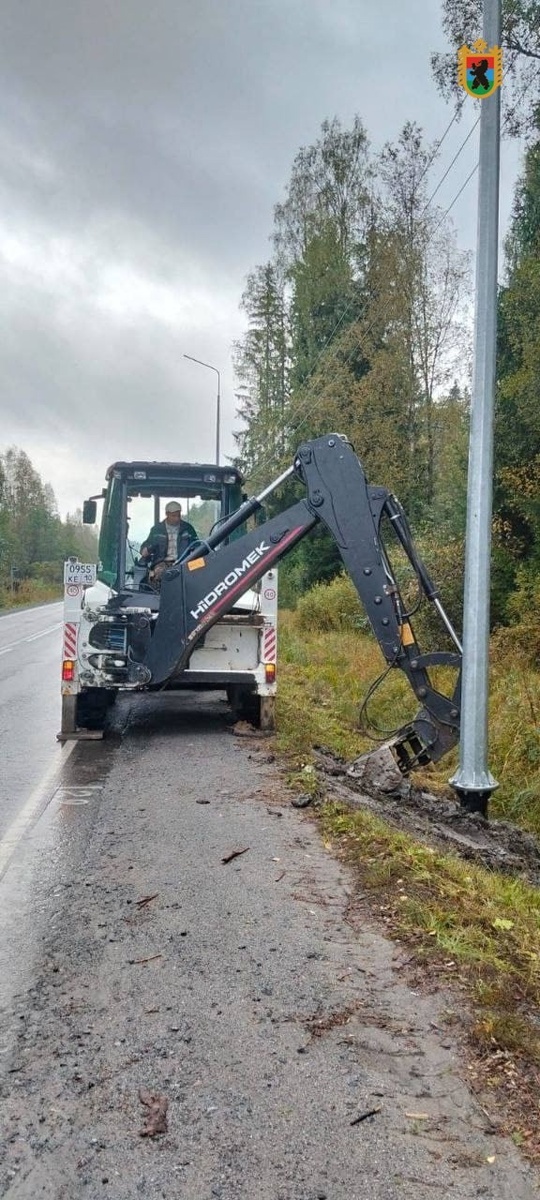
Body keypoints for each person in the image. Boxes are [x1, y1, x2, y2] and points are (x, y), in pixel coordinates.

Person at [139, 501, 198, 582]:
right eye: (173, 516)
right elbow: (146, 547)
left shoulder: (188, 528)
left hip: (185, 562)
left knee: (195, 575)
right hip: (162, 563)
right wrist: (147, 549)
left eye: (178, 515)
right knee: (160, 574)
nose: (177, 518)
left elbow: (197, 545)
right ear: (167, 514)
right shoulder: (157, 530)